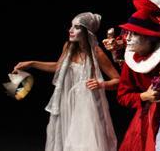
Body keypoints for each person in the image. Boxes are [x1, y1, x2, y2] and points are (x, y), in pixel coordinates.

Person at [13, 12, 119, 151]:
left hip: (87, 104)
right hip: (67, 101)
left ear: (87, 31)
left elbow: (118, 80)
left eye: (77, 27)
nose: (70, 30)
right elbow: (58, 67)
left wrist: (101, 84)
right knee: (67, 138)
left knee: (83, 141)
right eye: (71, 26)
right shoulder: (69, 47)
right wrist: (32, 63)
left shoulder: (96, 52)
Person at [116, 0, 160, 151]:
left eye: (134, 34)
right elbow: (122, 95)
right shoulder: (131, 61)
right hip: (146, 119)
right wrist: (143, 96)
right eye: (127, 33)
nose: (127, 38)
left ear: (149, 38)